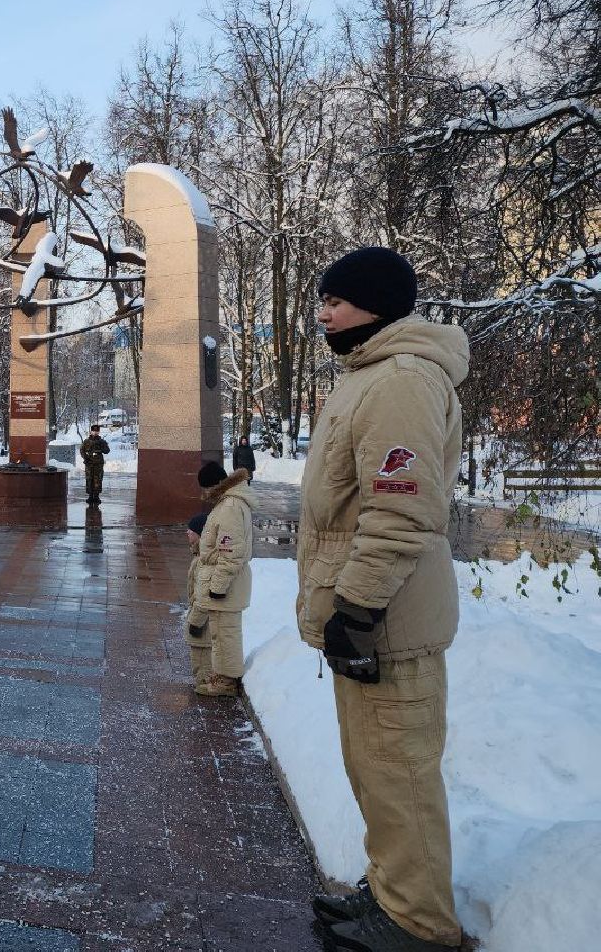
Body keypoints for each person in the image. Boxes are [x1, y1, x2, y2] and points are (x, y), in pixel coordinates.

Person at [302, 246, 467, 952]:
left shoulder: (400, 379)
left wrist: (358, 608)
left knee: (398, 770)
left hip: (386, 622)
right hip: (369, 620)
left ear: (377, 304)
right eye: (323, 299)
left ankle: (419, 923)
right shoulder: (369, 373)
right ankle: (395, 886)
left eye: (337, 299)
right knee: (376, 767)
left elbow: (400, 511)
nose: (324, 311)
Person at [191, 460, 256, 697]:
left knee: (226, 633)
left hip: (227, 585)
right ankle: (222, 675)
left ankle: (227, 682)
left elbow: (231, 553)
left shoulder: (229, 507)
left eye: (204, 488)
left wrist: (218, 587)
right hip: (226, 583)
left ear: (212, 485)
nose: (203, 494)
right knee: (220, 633)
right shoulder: (228, 503)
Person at [182, 512, 212, 689]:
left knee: (203, 660)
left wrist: (195, 621)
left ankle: (205, 686)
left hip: (203, 623)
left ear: (200, 534)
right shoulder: (200, 557)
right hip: (201, 618)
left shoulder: (203, 561)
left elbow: (203, 595)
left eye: (191, 530)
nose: (187, 533)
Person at [80, 424, 110, 505]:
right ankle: (90, 496)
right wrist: (85, 458)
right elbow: (82, 450)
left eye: (97, 431)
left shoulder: (102, 441)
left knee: (98, 479)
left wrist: (102, 447)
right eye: (94, 431)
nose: (95, 432)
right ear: (91, 431)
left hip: (98, 464)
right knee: (89, 479)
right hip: (89, 463)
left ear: (99, 432)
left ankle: (96, 496)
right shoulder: (86, 441)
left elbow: (107, 451)